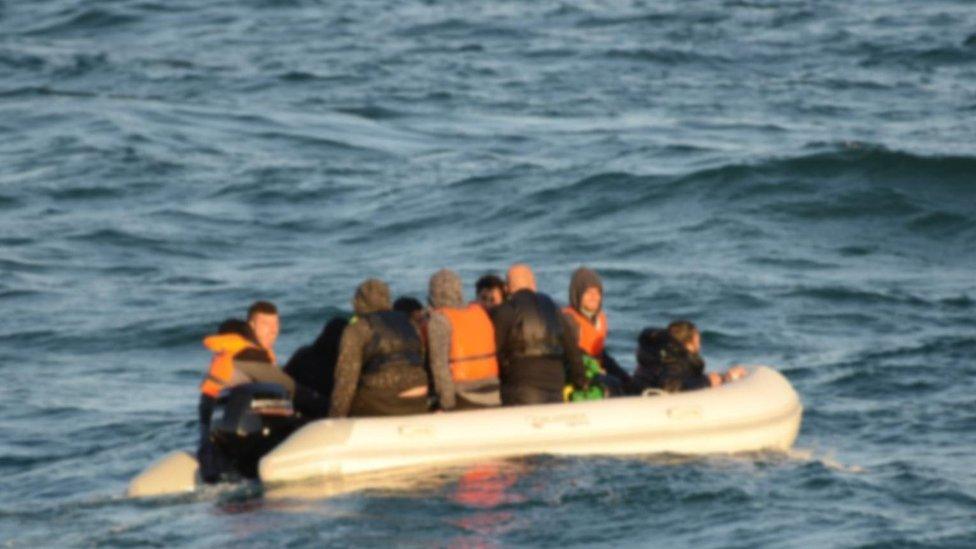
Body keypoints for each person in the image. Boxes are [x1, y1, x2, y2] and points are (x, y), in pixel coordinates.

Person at [329, 279, 451, 418]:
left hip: (384, 403)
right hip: (419, 397)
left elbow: (345, 380)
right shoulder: (410, 323)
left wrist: (335, 418)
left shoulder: (356, 329)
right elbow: (421, 358)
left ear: (358, 302)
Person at [197, 318, 291, 482]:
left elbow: (205, 414)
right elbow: (291, 389)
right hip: (254, 443)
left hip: (217, 444)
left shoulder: (220, 362)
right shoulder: (251, 357)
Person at [490, 264, 588, 405]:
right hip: (555, 384)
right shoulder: (553, 308)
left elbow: (494, 350)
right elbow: (572, 348)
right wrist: (580, 380)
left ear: (507, 288)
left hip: (521, 387)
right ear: (534, 285)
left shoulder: (504, 311)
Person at [426, 269, 501, 410]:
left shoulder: (439, 320)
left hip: (465, 396)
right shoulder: (480, 313)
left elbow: (440, 368)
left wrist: (447, 407)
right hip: (494, 392)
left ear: (432, 294)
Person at [561, 267, 633, 399]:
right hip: (578, 375)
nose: (594, 297)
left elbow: (602, 354)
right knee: (613, 384)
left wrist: (625, 378)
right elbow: (571, 356)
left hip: (596, 371)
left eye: (597, 292)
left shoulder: (599, 318)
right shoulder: (568, 320)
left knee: (627, 383)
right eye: (588, 292)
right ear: (577, 294)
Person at [631, 320, 746, 393]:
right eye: (697, 343)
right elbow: (671, 387)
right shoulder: (675, 362)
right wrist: (708, 381)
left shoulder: (655, 358)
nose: (699, 347)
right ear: (688, 345)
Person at [284, 315, 349, 412]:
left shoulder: (303, 354)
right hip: (322, 412)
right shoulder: (340, 364)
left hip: (296, 407)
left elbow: (285, 380)